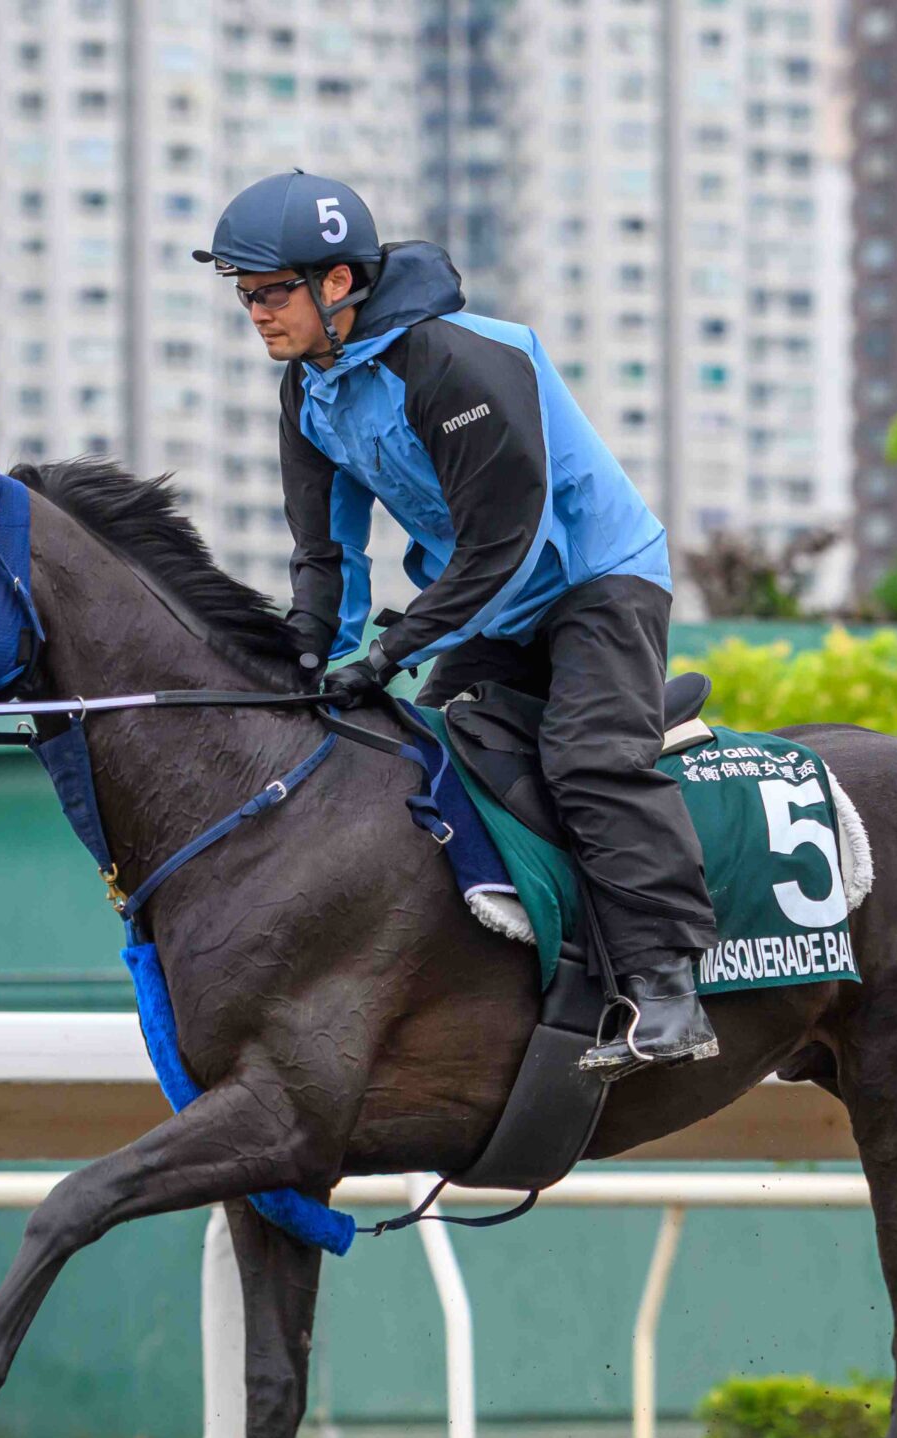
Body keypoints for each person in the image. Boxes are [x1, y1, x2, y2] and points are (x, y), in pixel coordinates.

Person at [196, 169, 718, 1078]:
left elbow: (507, 545)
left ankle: (670, 990)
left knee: (588, 760)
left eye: (272, 293)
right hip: (484, 598)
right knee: (414, 763)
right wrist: (314, 649)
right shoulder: (308, 391)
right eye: (245, 296)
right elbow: (326, 556)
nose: (257, 314)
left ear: (338, 284)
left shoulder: (457, 362)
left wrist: (391, 650)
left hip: (592, 581)